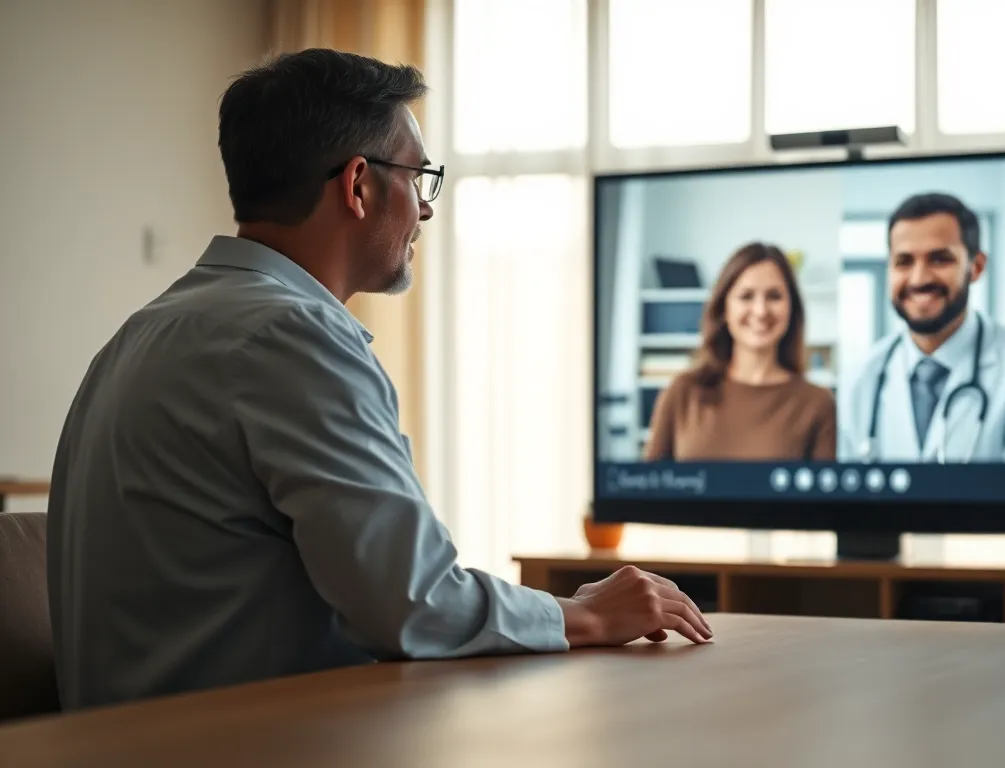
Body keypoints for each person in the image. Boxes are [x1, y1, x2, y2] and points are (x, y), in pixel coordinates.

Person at [45, 48, 711, 712]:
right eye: (420, 177)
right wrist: (583, 614)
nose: (424, 210)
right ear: (359, 185)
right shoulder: (292, 337)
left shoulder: (140, 333)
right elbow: (414, 605)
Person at [837, 193, 1005, 463]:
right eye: (904, 261)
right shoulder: (861, 379)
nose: (919, 278)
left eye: (939, 259)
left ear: (976, 267)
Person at [644, 242, 836, 461]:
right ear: (724, 308)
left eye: (774, 296)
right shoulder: (682, 393)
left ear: (792, 308)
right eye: (746, 296)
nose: (761, 310)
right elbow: (646, 489)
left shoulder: (818, 404)